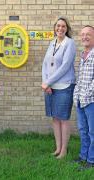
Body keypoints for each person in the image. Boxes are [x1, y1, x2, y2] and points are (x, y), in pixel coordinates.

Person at [41, 17, 76, 159]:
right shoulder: (52, 42)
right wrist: (46, 83)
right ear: (54, 28)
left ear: (67, 29)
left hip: (64, 85)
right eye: (58, 26)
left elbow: (65, 66)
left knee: (63, 118)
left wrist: (48, 82)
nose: (60, 28)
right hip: (50, 87)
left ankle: (64, 150)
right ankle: (57, 148)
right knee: (55, 118)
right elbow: (45, 64)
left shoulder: (70, 43)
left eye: (63, 26)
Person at [73, 25, 94, 170]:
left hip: (91, 101)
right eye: (83, 34)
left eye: (88, 34)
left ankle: (91, 160)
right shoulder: (82, 55)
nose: (85, 37)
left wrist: (86, 93)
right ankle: (83, 156)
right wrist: (76, 94)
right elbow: (79, 78)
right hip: (80, 100)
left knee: (93, 132)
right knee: (83, 130)